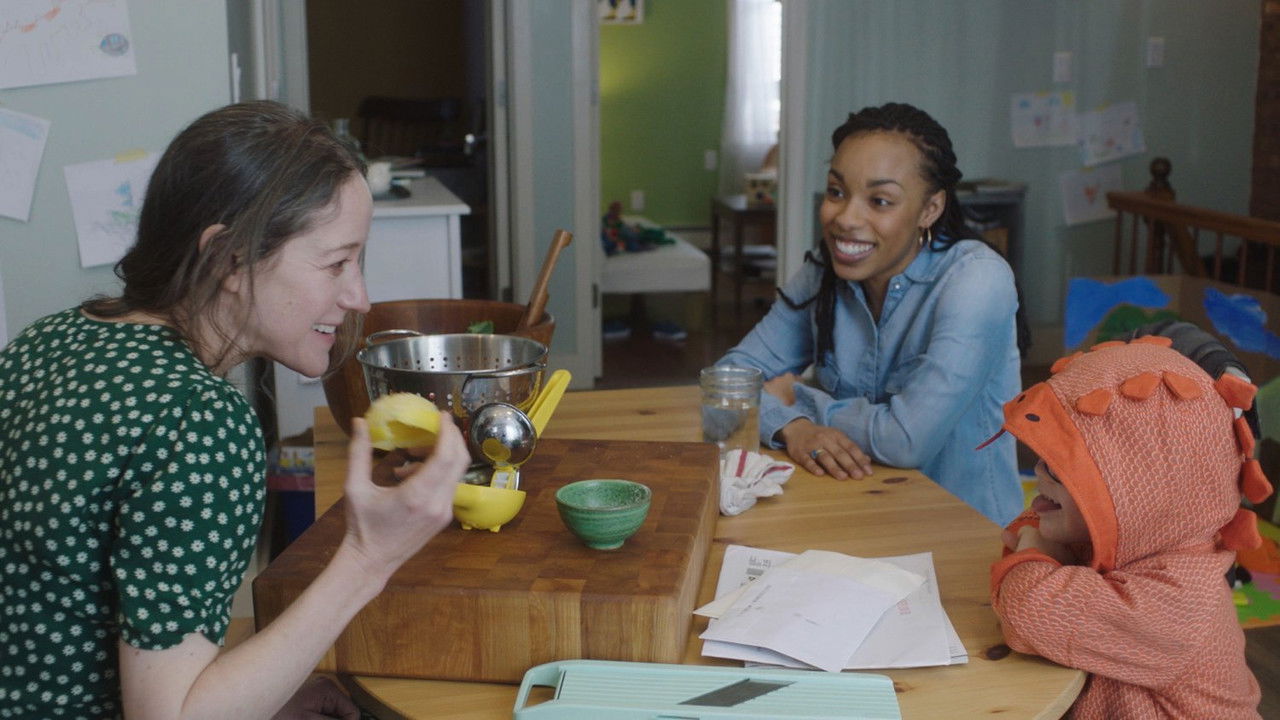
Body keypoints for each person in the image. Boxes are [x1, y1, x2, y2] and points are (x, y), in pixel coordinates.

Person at [0, 101, 471, 719]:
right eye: (336, 262)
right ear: (230, 259)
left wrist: (258, 696)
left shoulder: (55, 337)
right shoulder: (198, 421)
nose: (358, 296)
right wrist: (368, 557)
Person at [717, 101, 1023, 525]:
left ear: (930, 209)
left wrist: (798, 398)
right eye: (836, 192)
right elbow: (725, 382)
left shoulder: (976, 280)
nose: (846, 218)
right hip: (857, 514)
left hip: (966, 533)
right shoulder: (823, 274)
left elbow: (906, 441)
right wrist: (794, 428)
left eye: (880, 201)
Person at [989, 337, 1270, 718]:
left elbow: (1028, 610)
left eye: (1060, 466)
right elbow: (1023, 536)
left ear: (1141, 494)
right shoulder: (1130, 540)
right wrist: (1037, 549)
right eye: (1042, 456)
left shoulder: (1182, 603)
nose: (1038, 469)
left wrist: (1034, 552)